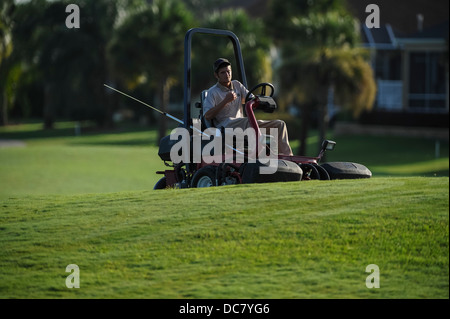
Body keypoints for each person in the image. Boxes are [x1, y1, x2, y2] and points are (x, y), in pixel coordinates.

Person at [203, 58, 293, 156]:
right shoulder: (212, 92)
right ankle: (264, 153)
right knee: (247, 121)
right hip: (225, 126)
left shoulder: (237, 85)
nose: (227, 75)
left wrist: (260, 102)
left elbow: (250, 98)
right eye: (223, 73)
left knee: (279, 125)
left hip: (244, 123)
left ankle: (287, 158)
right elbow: (207, 116)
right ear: (216, 75)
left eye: (228, 71)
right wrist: (225, 101)